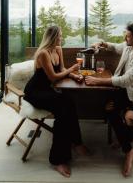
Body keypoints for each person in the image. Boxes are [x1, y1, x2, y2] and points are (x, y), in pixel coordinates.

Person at [85, 23, 133, 177]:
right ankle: (128, 147)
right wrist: (102, 43)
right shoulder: (129, 46)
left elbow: (126, 80)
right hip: (125, 92)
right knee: (108, 109)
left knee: (130, 117)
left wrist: (98, 81)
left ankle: (127, 149)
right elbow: (116, 47)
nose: (125, 38)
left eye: (128, 36)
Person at [24, 25, 87, 178]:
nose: (61, 38)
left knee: (70, 103)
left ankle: (76, 142)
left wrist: (74, 76)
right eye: (59, 35)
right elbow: (53, 77)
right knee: (63, 112)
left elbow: (61, 70)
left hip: (48, 90)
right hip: (35, 92)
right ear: (52, 37)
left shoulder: (58, 49)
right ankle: (58, 159)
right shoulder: (43, 54)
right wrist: (72, 70)